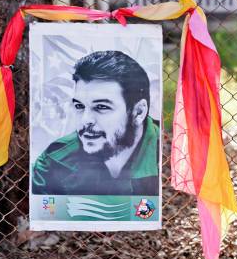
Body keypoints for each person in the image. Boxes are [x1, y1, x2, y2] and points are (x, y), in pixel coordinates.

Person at [32, 51, 160, 196]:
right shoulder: (52, 160)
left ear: (138, 112)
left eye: (101, 107)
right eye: (80, 106)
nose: (86, 120)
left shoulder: (166, 157)